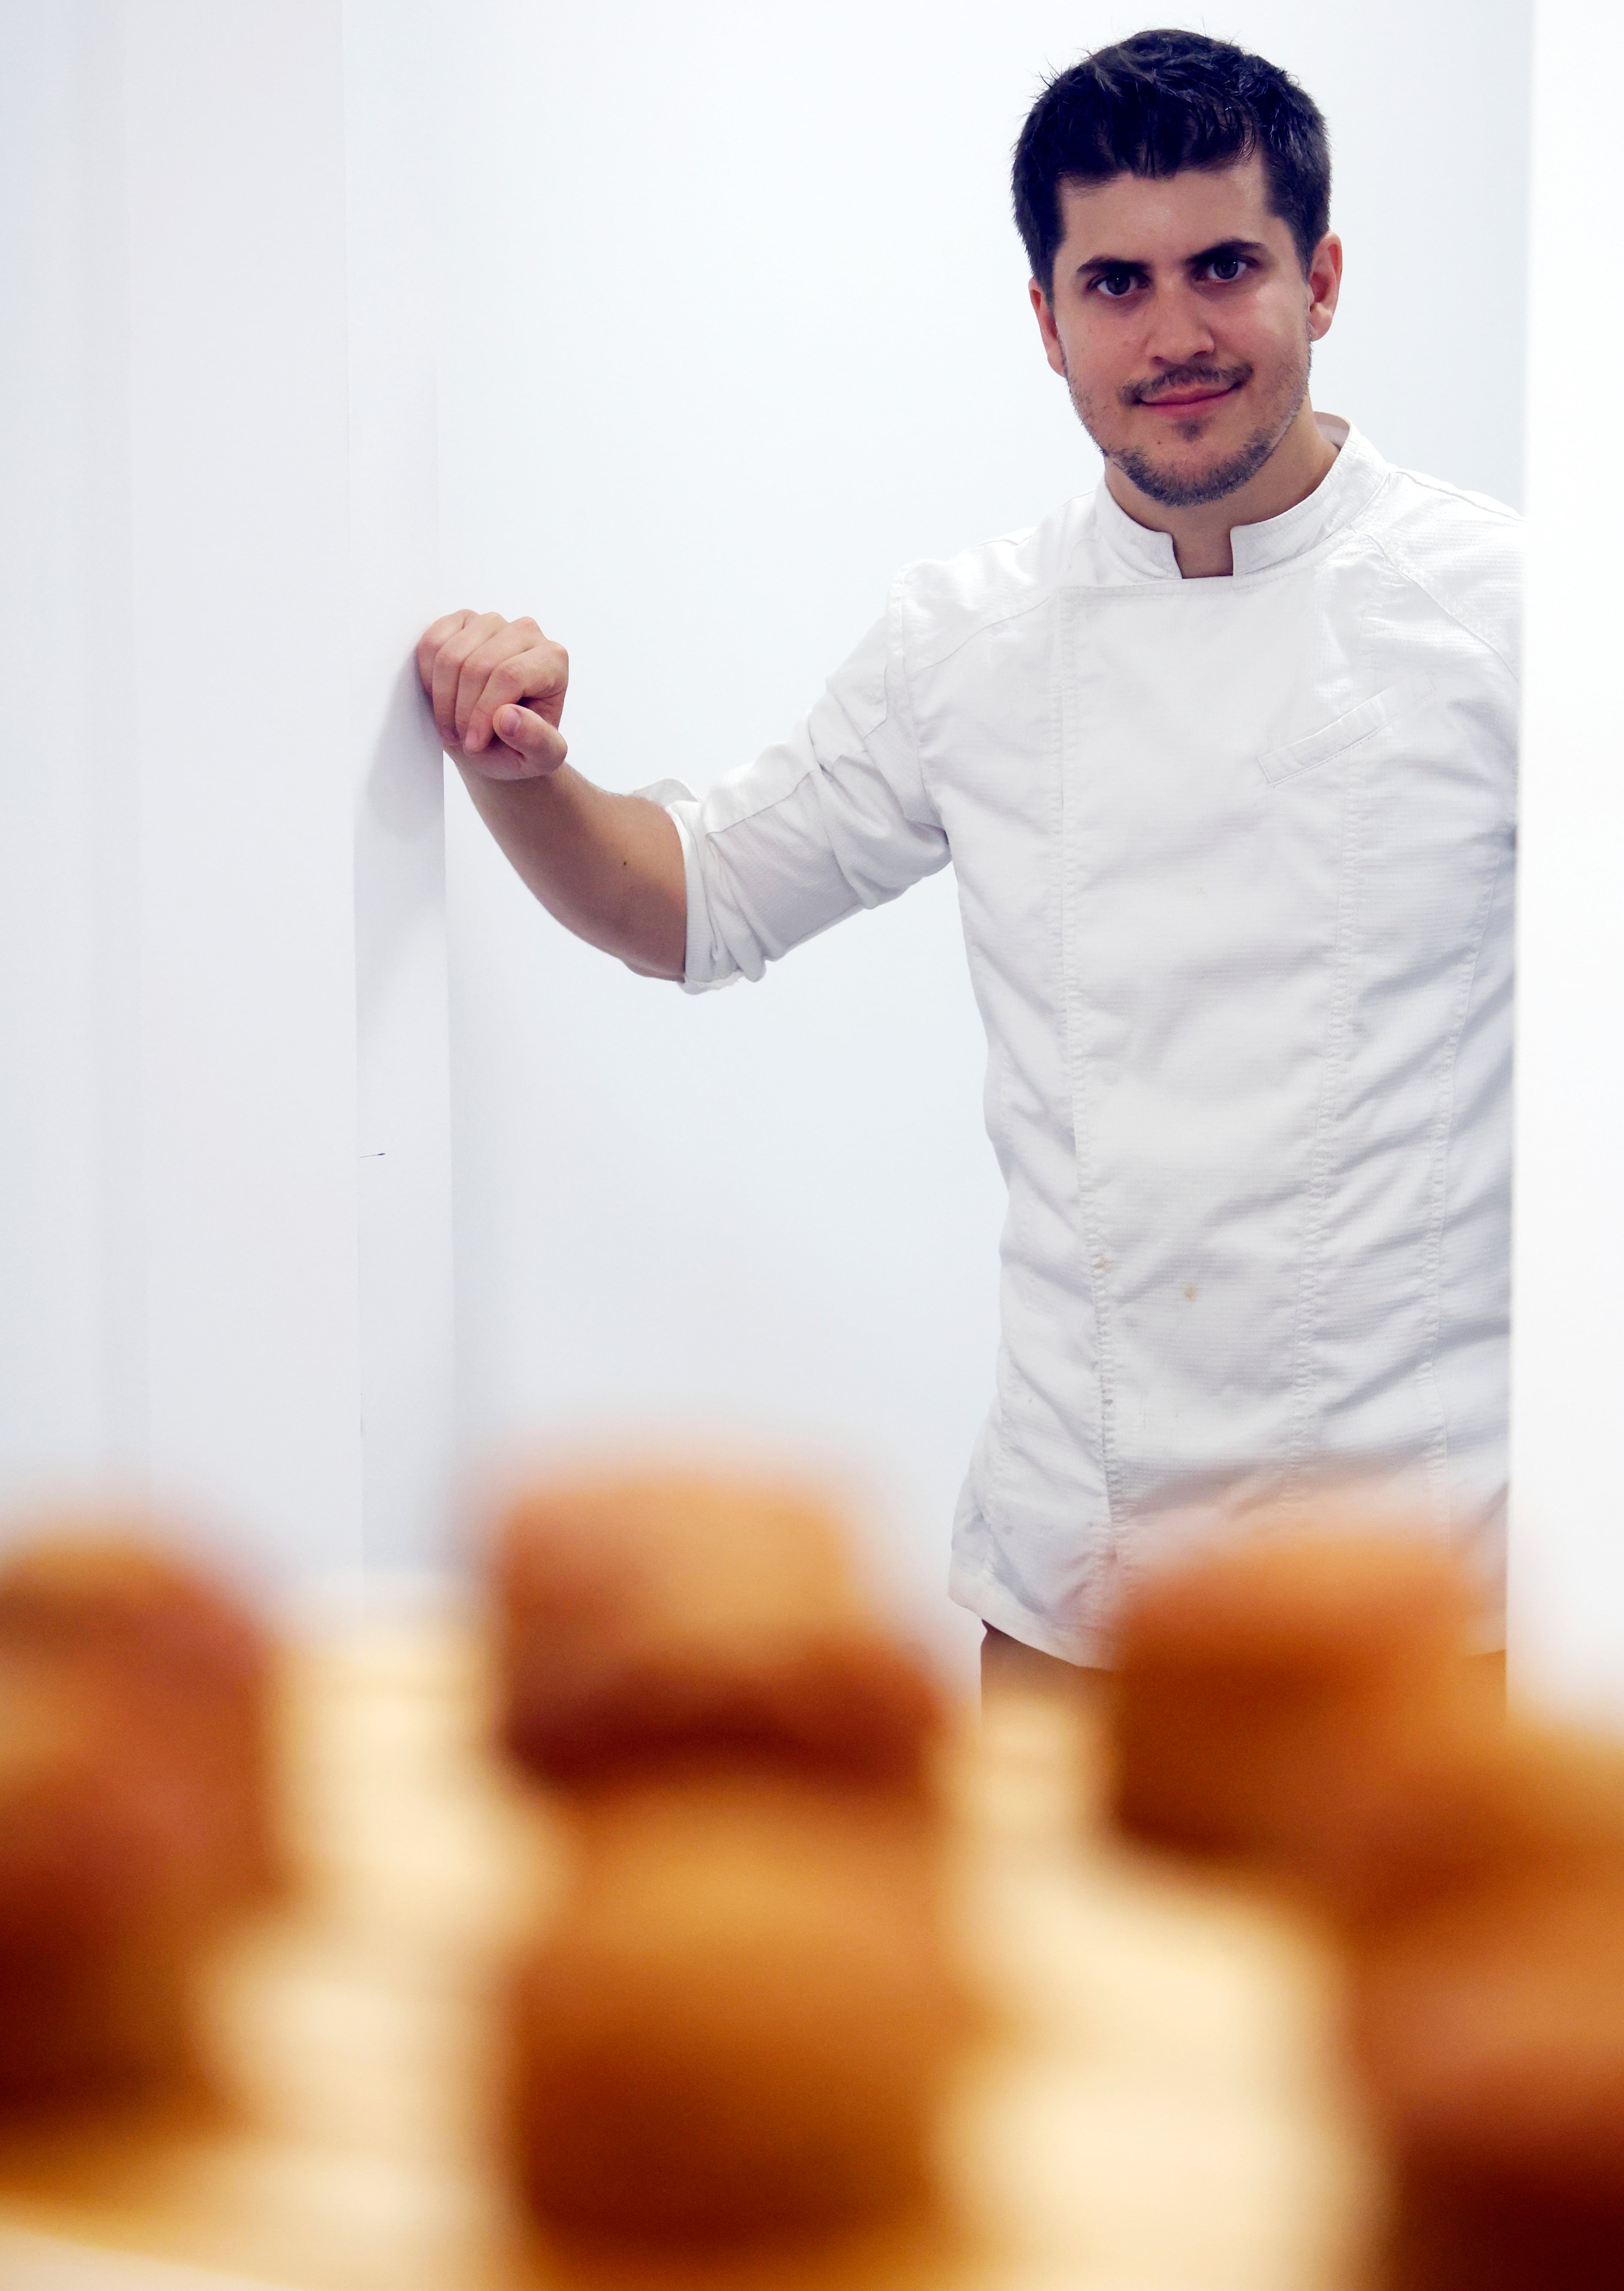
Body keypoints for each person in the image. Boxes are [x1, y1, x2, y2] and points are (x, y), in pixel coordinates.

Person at [416, 30, 1519, 1694]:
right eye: (1115, 283)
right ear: (1047, 321)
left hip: (1427, 1602)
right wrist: (520, 769)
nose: (1173, 333)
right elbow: (686, 903)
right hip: (1077, 1582)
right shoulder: (969, 639)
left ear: (1321, 280)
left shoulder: (1512, 614)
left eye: (1223, 268)